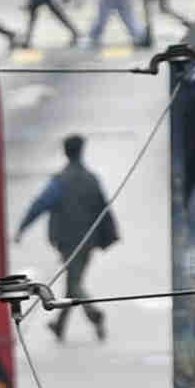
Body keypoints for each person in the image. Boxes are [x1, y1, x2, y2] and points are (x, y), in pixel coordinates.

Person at [23, 134, 121, 338]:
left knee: (74, 284)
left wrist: (22, 227)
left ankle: (94, 314)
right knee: (72, 283)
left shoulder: (60, 181)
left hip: (68, 242)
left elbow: (39, 205)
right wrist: (108, 235)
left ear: (65, 152)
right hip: (89, 241)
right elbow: (104, 209)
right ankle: (59, 326)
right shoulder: (91, 179)